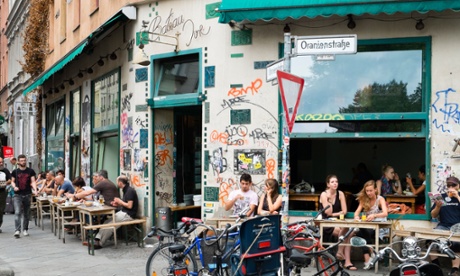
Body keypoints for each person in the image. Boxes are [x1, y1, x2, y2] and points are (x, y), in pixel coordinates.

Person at [93, 175, 138, 249]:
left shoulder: (130, 191)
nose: (117, 184)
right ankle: (97, 238)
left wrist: (120, 201)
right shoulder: (125, 190)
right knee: (107, 222)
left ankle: (100, 243)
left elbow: (129, 206)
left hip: (128, 214)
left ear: (120, 183)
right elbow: (125, 203)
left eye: (117, 182)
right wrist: (118, 203)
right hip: (124, 212)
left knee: (111, 225)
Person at [319, 175, 354, 269]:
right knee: (347, 234)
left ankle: (340, 253)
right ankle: (346, 261)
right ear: (328, 184)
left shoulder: (341, 193)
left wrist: (334, 214)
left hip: (338, 222)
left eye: (336, 182)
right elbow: (328, 212)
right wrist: (329, 199)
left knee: (349, 232)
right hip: (326, 223)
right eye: (332, 182)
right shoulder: (324, 194)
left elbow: (345, 211)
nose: (335, 184)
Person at [354, 180, 388, 269]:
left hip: (379, 226)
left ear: (375, 190)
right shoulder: (364, 199)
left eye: (370, 191)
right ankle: (370, 254)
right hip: (368, 226)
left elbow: (385, 213)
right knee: (361, 232)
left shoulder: (380, 199)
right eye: (367, 191)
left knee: (360, 234)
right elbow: (356, 213)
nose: (369, 193)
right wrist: (357, 217)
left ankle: (368, 258)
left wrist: (374, 215)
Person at [430, 176, 460, 276]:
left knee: (456, 243)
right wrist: (438, 206)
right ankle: (436, 266)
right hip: (443, 226)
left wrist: (458, 197)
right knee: (431, 241)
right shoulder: (441, 197)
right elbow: (433, 215)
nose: (451, 187)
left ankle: (455, 269)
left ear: (458, 186)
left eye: (453, 185)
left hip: (458, 227)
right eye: (449, 185)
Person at [10, 154, 37, 238]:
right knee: (17, 212)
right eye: (21, 161)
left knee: (26, 213)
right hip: (17, 195)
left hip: (27, 194)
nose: (23, 162)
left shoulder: (30, 171)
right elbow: (12, 181)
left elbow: (33, 181)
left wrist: (35, 190)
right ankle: (17, 230)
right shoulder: (15, 171)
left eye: (24, 160)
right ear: (18, 162)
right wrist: (14, 187)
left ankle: (25, 229)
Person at [0, 157, 12, 233]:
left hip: (2, 192)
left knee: (1, 209)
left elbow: (10, 180)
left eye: (2, 162)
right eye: (0, 162)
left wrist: (4, 183)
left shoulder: (5, 170)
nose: (1, 163)